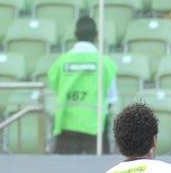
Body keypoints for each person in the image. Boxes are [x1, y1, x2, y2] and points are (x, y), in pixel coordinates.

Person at [46, 16, 119, 154]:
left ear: (75, 35)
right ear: (96, 35)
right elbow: (111, 99)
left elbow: (56, 87)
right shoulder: (106, 64)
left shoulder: (60, 63)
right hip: (95, 128)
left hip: (66, 127)